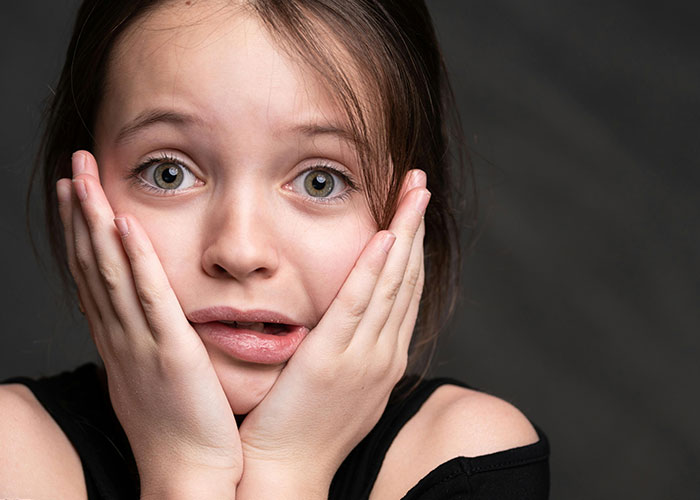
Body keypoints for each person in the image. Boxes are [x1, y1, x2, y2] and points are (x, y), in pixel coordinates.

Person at [0, 0, 549, 498]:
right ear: (78, 198)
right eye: (168, 173)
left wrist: (287, 470)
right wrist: (185, 471)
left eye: (320, 181)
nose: (240, 251)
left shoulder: (463, 455)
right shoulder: (13, 456)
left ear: (414, 211)